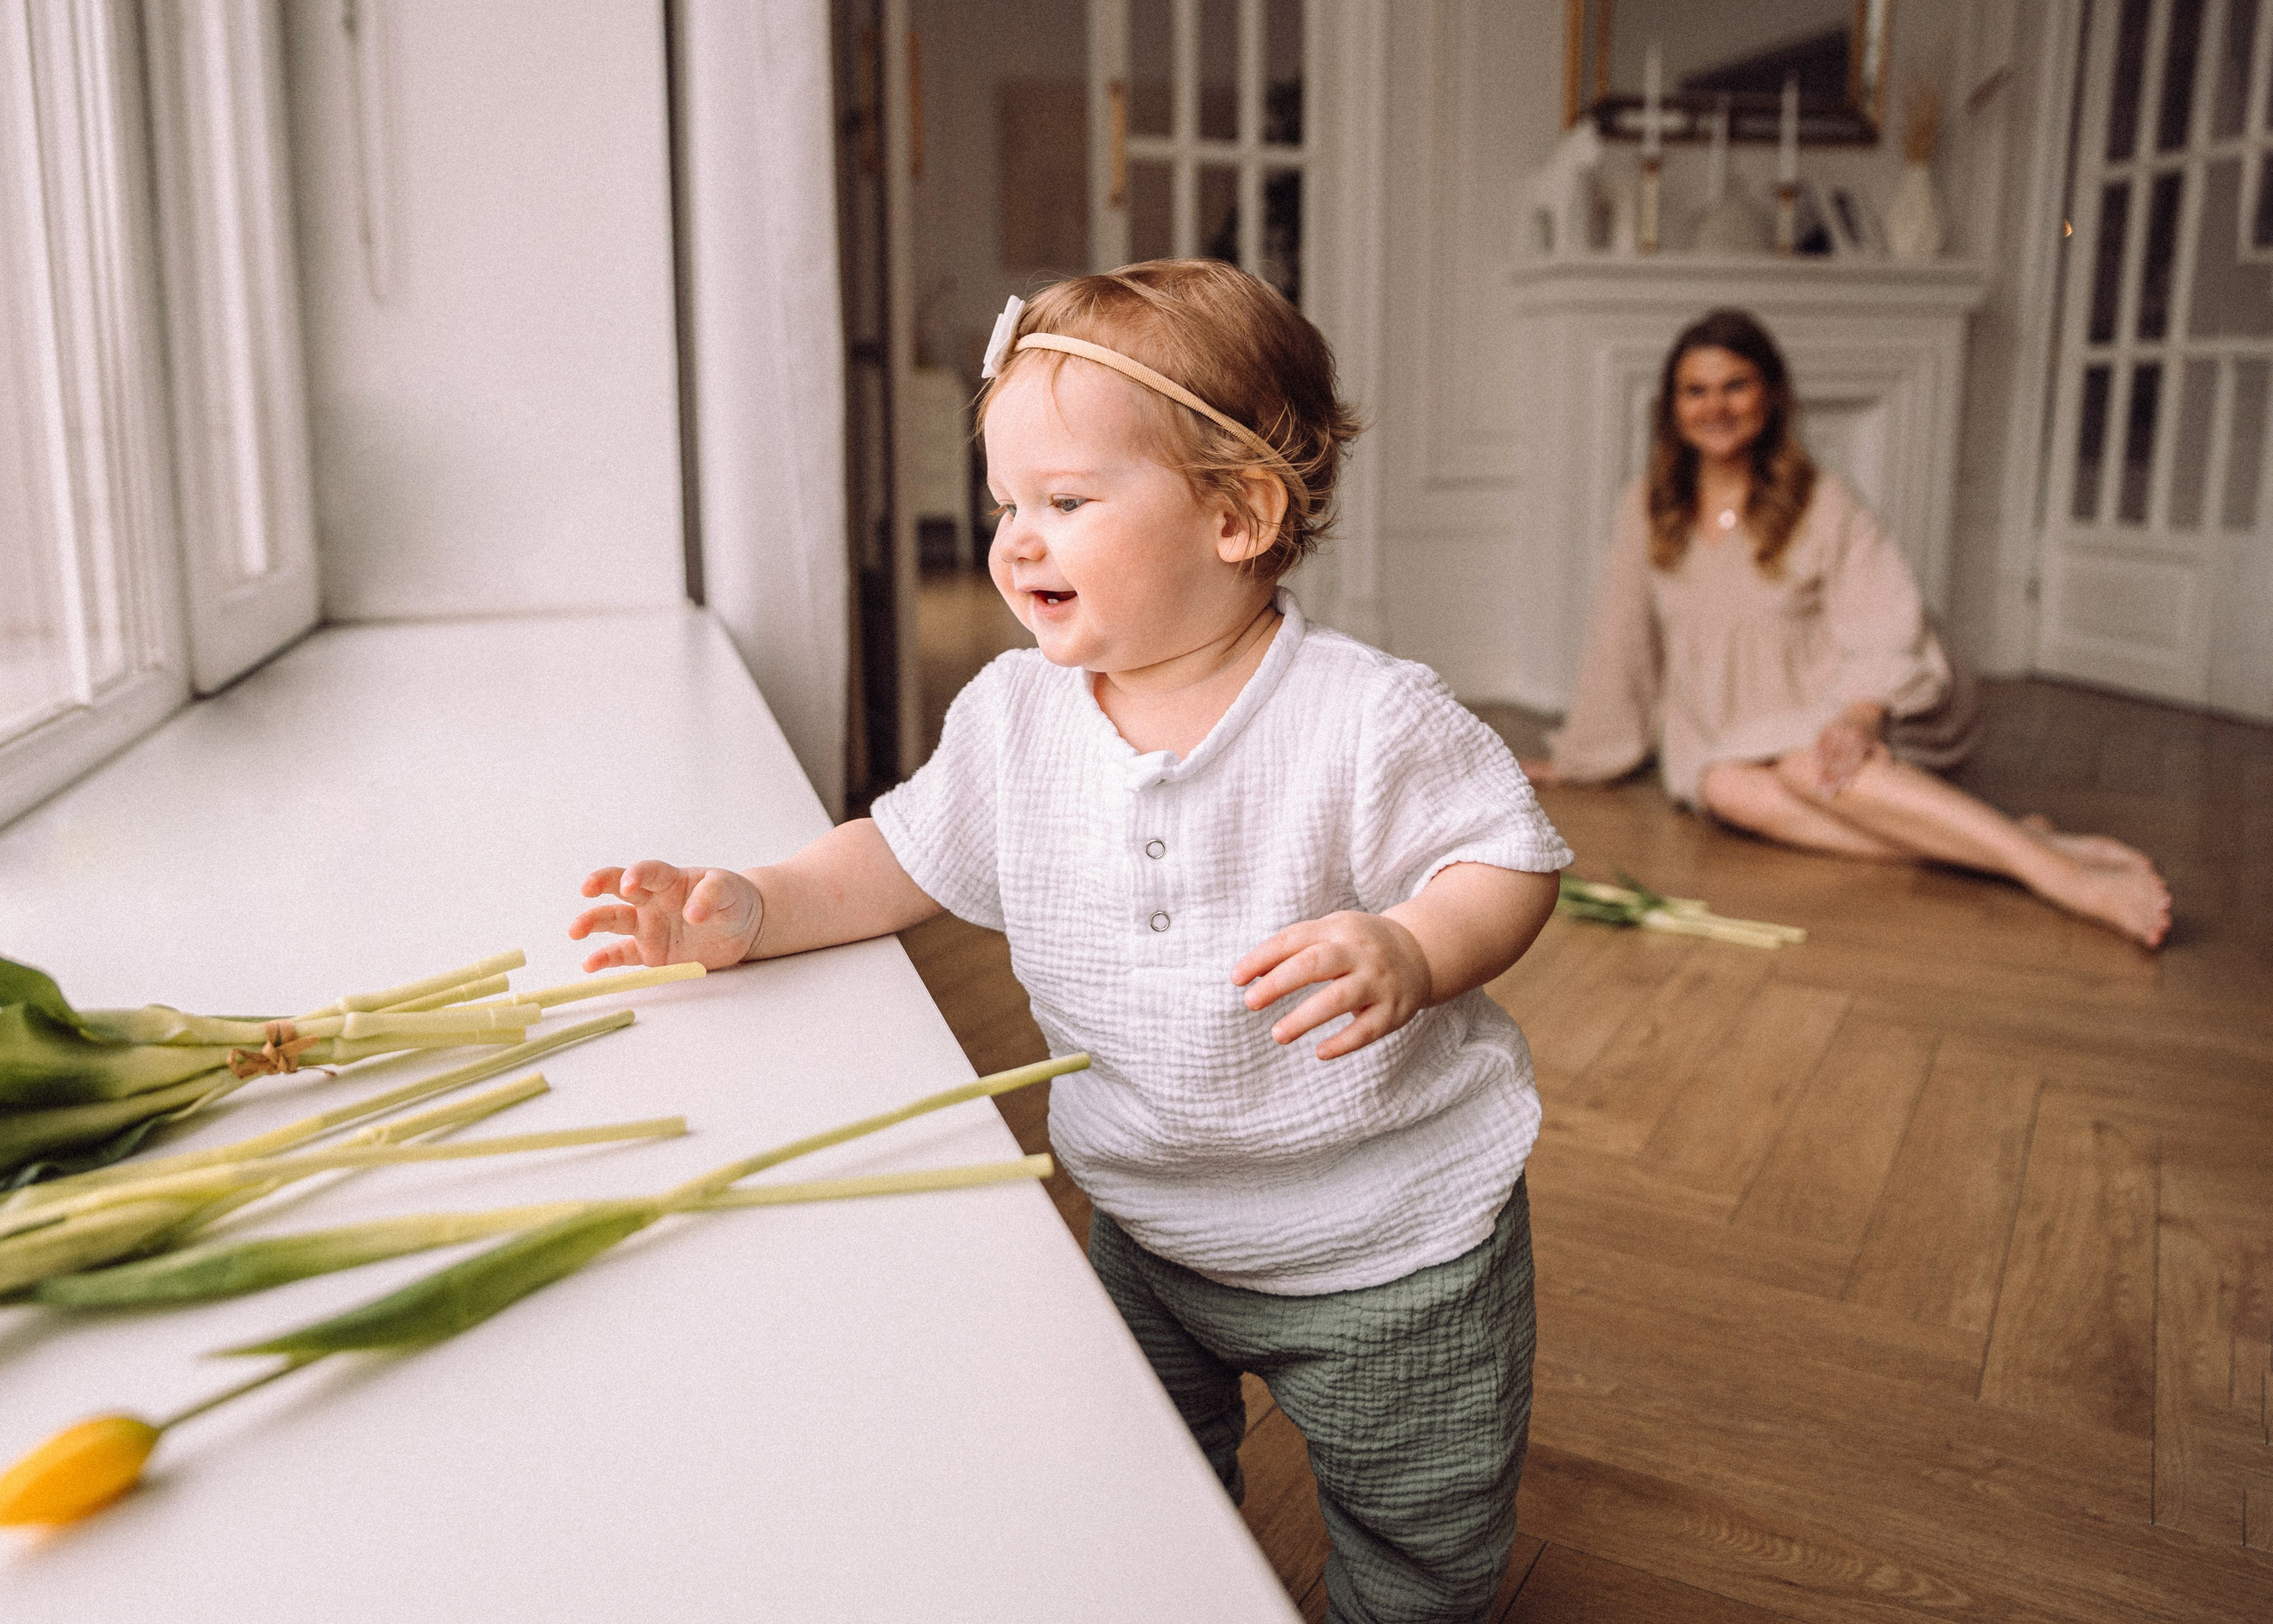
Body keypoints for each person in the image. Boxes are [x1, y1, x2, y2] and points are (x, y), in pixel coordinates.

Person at [569, 260, 1572, 1623]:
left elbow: (1509, 852)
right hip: (1149, 1225)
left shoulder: (1363, 716)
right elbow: (904, 851)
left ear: (1236, 513)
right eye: (1004, 505)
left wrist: (1415, 945)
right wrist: (754, 907)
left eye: (1066, 503)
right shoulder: (1014, 718)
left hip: (1388, 1252)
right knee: (1142, 1507)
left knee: (1419, 1557)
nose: (1013, 542)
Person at [1521, 309, 2170, 949]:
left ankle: (2061, 875)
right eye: (1696, 390)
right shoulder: (1649, 505)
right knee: (1723, 788)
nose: (1716, 406)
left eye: (1736, 386)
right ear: (1672, 407)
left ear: (1771, 394)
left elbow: (1885, 616)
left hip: (1841, 702)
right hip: (1723, 728)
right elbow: (1620, 641)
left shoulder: (1821, 498)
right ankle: (2017, 842)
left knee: (1809, 766)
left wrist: (1860, 717)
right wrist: (1583, 756)